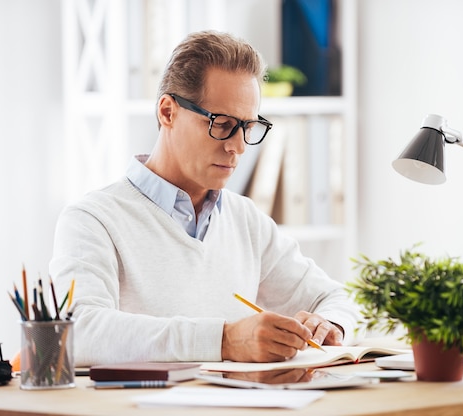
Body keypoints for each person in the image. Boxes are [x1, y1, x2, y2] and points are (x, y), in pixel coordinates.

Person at [50, 30, 360, 367]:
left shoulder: (245, 220)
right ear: (167, 112)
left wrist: (331, 323)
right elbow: (78, 332)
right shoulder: (92, 219)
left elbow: (336, 297)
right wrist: (225, 341)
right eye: (222, 123)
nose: (238, 146)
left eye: (249, 127)